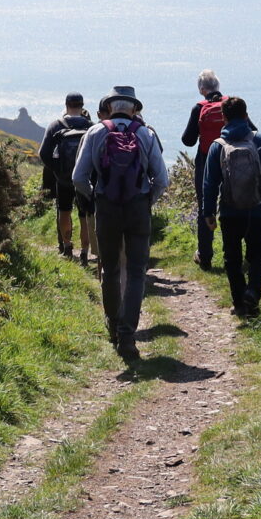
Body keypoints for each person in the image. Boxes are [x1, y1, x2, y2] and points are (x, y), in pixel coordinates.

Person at [69, 84, 168, 362]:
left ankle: (113, 326)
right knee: (136, 272)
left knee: (109, 269)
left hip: (107, 207)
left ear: (110, 107)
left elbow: (79, 177)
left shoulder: (96, 132)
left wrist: (97, 195)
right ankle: (127, 335)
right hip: (138, 208)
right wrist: (146, 201)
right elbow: (161, 180)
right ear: (134, 108)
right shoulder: (146, 134)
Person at [196, 95, 261, 318]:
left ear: (224, 118)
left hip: (229, 211)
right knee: (258, 252)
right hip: (257, 209)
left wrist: (208, 213)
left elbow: (209, 183)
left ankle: (239, 303)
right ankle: (253, 294)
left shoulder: (218, 146)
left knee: (232, 257)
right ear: (246, 115)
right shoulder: (260, 141)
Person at [36, 93, 96, 264]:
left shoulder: (56, 125)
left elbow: (43, 153)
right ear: (82, 106)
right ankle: (85, 252)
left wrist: (57, 170)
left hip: (63, 179)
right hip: (85, 179)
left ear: (66, 105)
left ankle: (68, 246)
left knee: (64, 211)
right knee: (85, 215)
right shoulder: (91, 126)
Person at [178, 69, 229, 271]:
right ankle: (231, 253)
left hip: (207, 161)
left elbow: (188, 140)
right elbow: (252, 130)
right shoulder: (230, 104)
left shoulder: (199, 108)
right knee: (230, 206)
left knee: (205, 207)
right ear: (218, 86)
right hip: (231, 160)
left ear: (202, 89)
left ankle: (205, 256)